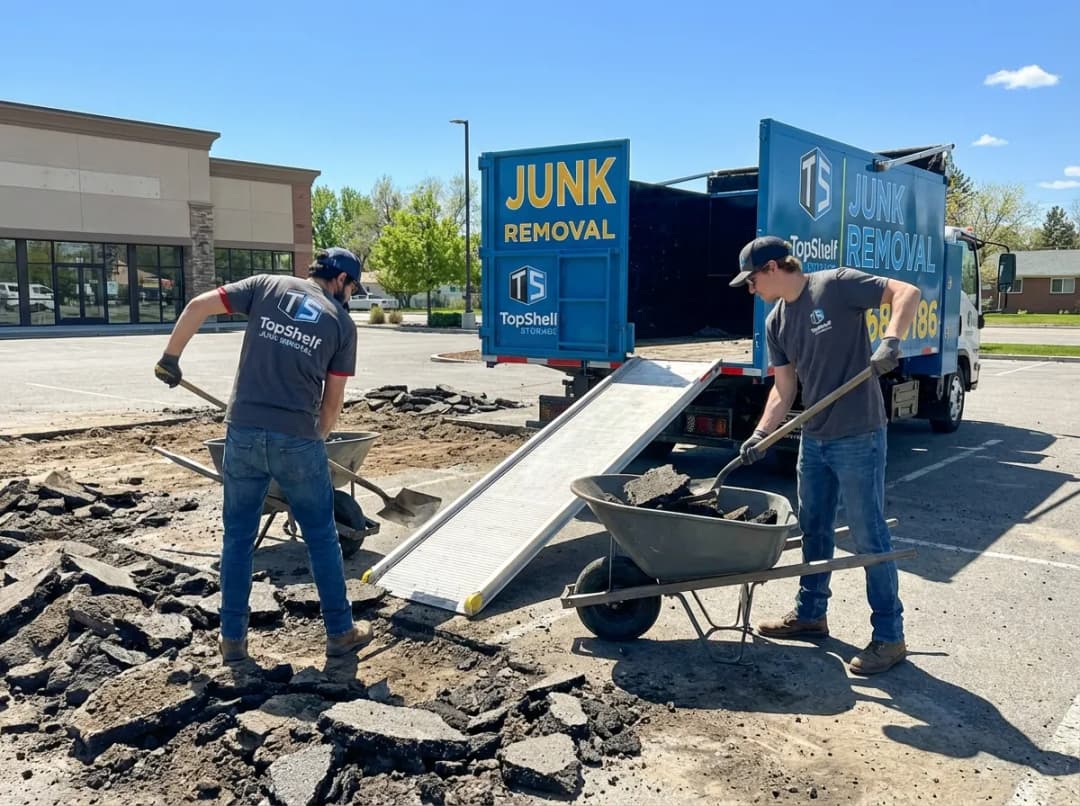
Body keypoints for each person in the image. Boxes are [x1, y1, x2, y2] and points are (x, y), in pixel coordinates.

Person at [154, 247, 372, 664]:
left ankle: (232, 640)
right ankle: (340, 633)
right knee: (323, 538)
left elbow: (198, 305)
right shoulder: (342, 324)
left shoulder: (264, 285)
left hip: (243, 435)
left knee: (238, 538)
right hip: (298, 440)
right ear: (341, 280)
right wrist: (313, 442)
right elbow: (332, 404)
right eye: (352, 286)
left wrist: (170, 359)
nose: (351, 294)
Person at [730, 236, 921, 675]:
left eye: (753, 280)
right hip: (813, 438)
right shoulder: (778, 322)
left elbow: (906, 292)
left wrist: (892, 340)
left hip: (858, 433)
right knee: (815, 530)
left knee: (869, 535)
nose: (751, 289)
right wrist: (762, 433)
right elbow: (784, 389)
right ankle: (811, 613)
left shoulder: (834, 285)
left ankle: (890, 638)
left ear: (774, 267)